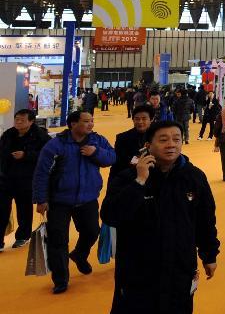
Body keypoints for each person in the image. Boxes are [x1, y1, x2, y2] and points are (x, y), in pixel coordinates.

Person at [101, 120, 219, 313]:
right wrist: (139, 182)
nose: (171, 144)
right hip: (138, 269)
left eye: (176, 139)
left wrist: (209, 254)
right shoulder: (128, 177)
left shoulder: (194, 177)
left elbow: (205, 220)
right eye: (163, 140)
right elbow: (110, 215)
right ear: (148, 146)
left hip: (179, 267)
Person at [32, 110, 115, 294]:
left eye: (92, 121)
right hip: (59, 200)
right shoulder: (56, 145)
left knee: (92, 231)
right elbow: (41, 173)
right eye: (86, 121)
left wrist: (95, 152)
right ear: (73, 124)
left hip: (88, 198)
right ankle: (61, 279)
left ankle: (79, 254)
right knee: (58, 240)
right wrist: (41, 199)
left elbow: (111, 158)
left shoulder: (97, 141)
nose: (91, 124)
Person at [0, 109, 50, 249]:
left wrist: (26, 155)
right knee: (2, 209)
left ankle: (23, 236)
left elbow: (47, 155)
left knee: (24, 209)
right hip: (6, 178)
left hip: (27, 179)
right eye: (17, 119)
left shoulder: (40, 136)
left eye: (22, 120)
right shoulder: (8, 134)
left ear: (31, 121)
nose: (18, 122)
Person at [110, 104, 154, 179]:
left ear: (151, 119)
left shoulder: (157, 137)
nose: (140, 122)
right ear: (133, 119)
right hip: (129, 178)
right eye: (137, 119)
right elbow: (118, 163)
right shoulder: (122, 138)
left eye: (144, 118)